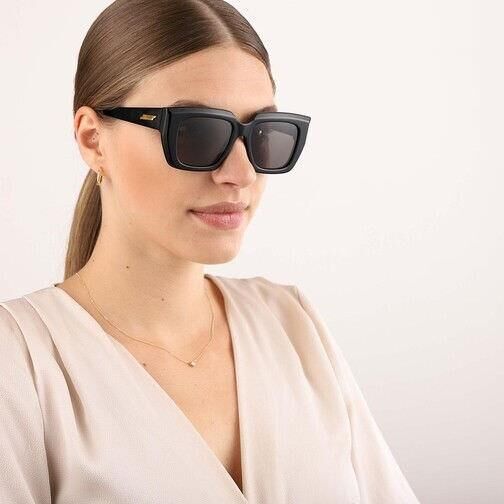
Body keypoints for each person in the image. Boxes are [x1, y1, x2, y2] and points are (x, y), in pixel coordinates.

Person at [0, 0, 420, 503]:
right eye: (197, 132)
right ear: (94, 140)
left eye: (262, 135)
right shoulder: (20, 363)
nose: (241, 174)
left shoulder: (292, 324)